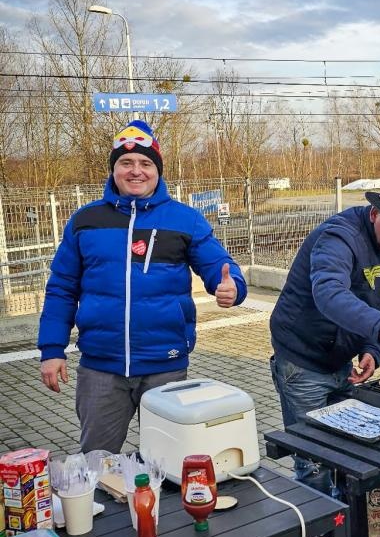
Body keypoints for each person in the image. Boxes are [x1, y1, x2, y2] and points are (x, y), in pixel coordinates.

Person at [38, 119, 247, 453]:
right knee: (97, 461)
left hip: (165, 365)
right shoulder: (84, 220)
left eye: (146, 163)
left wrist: (232, 287)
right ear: (114, 169)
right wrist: (51, 349)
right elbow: (62, 288)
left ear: (158, 170)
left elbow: (220, 268)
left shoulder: (186, 219)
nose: (136, 171)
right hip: (100, 367)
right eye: (126, 163)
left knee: (173, 460)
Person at [269, 180, 380, 496]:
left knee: (346, 455)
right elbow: (329, 293)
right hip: (303, 362)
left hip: (339, 361)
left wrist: (373, 348)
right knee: (315, 462)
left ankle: (344, 536)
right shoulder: (338, 238)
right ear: (374, 213)